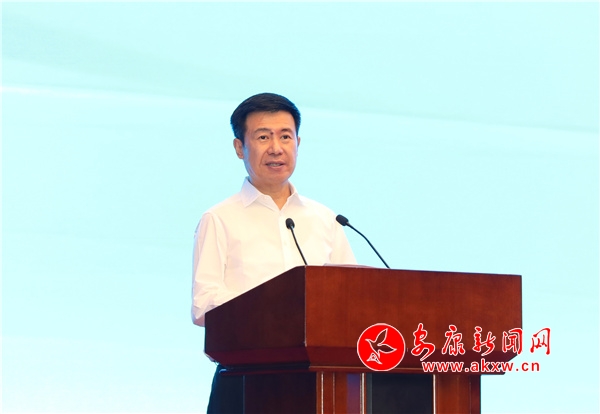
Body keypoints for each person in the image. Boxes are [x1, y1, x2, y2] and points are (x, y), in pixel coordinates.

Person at [191, 92, 356, 413]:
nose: (276, 148)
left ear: (298, 143)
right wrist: (273, 309)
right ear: (240, 147)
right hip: (245, 377)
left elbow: (350, 297)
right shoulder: (219, 218)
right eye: (263, 137)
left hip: (320, 380)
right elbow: (203, 306)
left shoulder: (326, 219)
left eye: (285, 136)